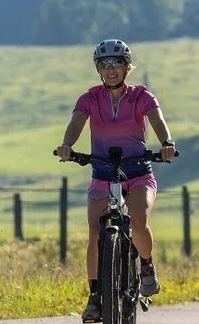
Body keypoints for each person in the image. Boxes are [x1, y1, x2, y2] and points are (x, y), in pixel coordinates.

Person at [54, 38, 177, 322]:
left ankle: (145, 265)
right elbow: (76, 123)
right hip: (102, 172)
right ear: (98, 68)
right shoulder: (89, 98)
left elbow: (157, 120)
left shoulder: (142, 96)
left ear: (126, 67)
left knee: (138, 220)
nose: (111, 69)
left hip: (137, 173)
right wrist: (66, 145)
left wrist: (166, 142)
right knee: (96, 232)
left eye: (117, 63)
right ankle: (95, 296)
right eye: (104, 64)